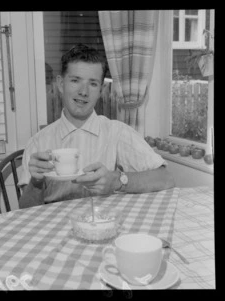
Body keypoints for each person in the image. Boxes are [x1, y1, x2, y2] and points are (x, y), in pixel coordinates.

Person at [18, 44, 175, 208]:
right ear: (60, 84)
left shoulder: (117, 132)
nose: (83, 92)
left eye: (92, 83)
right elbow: (24, 209)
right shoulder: (38, 143)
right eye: (75, 80)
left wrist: (118, 180)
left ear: (101, 90)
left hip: (104, 221)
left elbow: (165, 179)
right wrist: (36, 183)